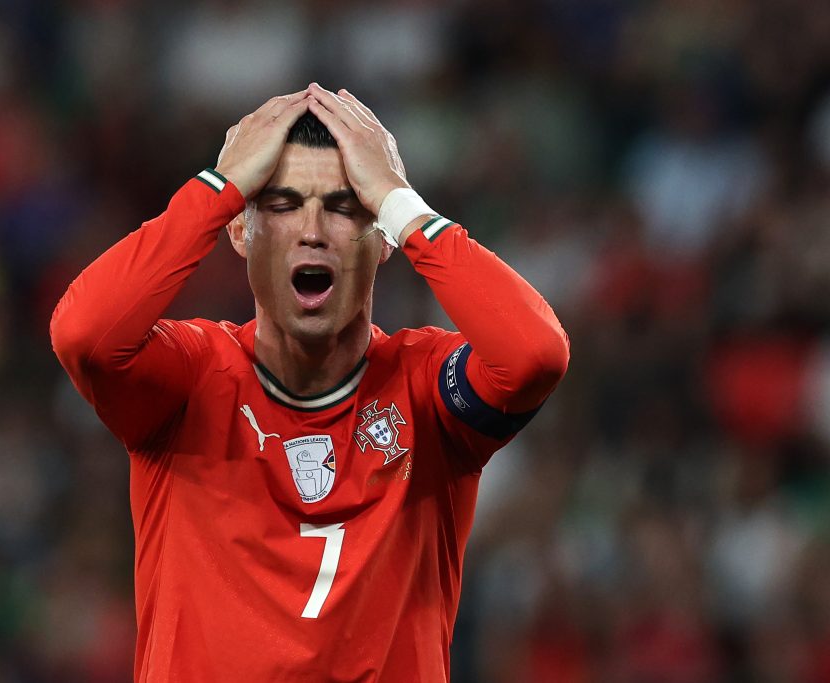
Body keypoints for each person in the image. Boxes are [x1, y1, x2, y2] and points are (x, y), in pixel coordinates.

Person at [50, 83, 569, 682]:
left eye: (347, 207)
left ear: (383, 240)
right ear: (241, 231)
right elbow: (84, 335)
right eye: (282, 204)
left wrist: (403, 206)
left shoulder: (426, 390)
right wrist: (217, 192)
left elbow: (534, 354)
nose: (313, 230)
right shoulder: (188, 380)